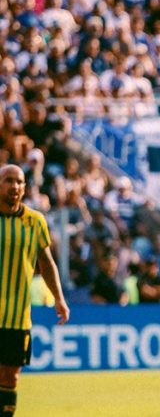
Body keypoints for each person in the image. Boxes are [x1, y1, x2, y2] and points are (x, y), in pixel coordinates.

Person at [0, 165, 69, 417]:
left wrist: (59, 299)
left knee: (11, 375)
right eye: (8, 181)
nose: (14, 186)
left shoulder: (35, 221)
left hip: (17, 317)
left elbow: (46, 263)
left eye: (19, 182)